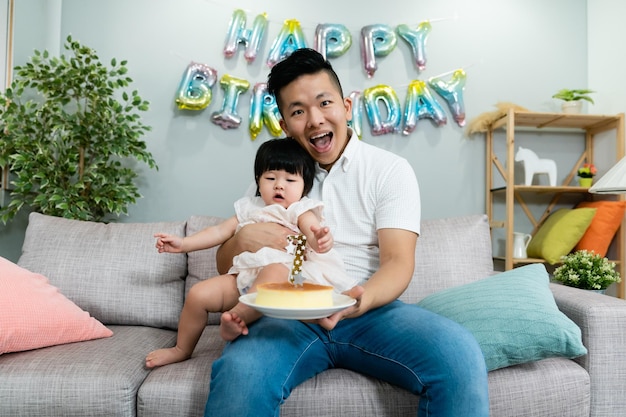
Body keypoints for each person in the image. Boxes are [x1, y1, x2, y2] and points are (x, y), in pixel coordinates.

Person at [205, 48, 490, 416]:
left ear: (347, 105)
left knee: (459, 354)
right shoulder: (276, 176)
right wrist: (242, 240)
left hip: (369, 310)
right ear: (283, 124)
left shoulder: (389, 170)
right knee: (240, 375)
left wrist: (359, 300)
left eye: (325, 103)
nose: (315, 120)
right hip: (287, 316)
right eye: (297, 111)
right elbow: (224, 263)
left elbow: (399, 262)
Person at [145, 138, 356, 369]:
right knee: (198, 294)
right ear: (258, 180)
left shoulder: (300, 210)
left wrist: (321, 239)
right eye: (270, 178)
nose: (279, 185)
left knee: (273, 270)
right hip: (245, 280)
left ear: (304, 186)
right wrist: (184, 244)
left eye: (289, 179)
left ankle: (238, 317)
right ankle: (181, 348)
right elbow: (218, 231)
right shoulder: (249, 208)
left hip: (288, 283)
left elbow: (312, 231)